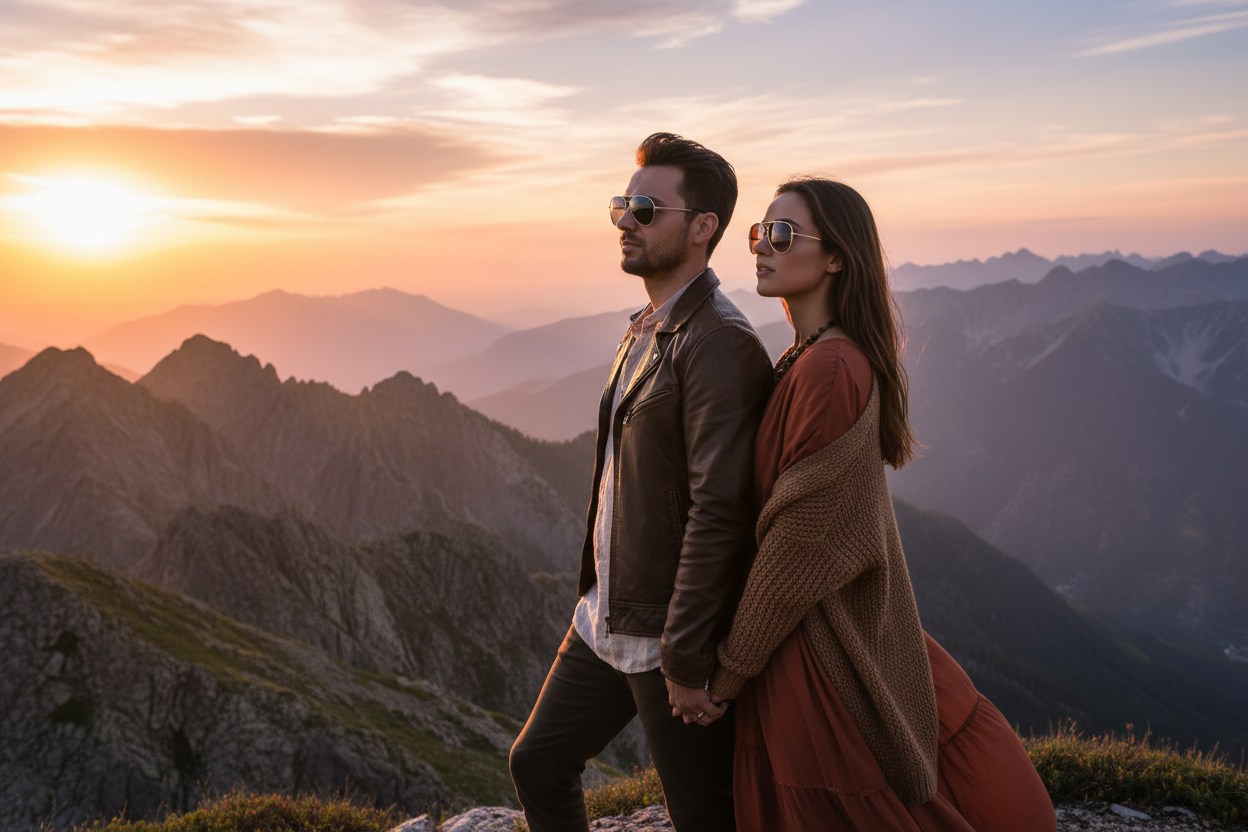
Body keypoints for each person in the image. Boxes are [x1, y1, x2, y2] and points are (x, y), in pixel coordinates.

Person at [699, 177, 1056, 832]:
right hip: (811, 641)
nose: (761, 247)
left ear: (836, 257)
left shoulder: (830, 370)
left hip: (812, 657)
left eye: (782, 234)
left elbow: (796, 548)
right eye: (759, 232)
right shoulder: (810, 358)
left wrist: (727, 673)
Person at [508, 133, 774, 832]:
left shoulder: (718, 342)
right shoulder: (651, 327)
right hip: (605, 618)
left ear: (702, 227)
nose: (625, 220)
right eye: (622, 204)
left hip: (666, 638)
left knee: (704, 816)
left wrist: (686, 657)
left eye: (647, 208)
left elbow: (721, 510)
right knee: (537, 763)